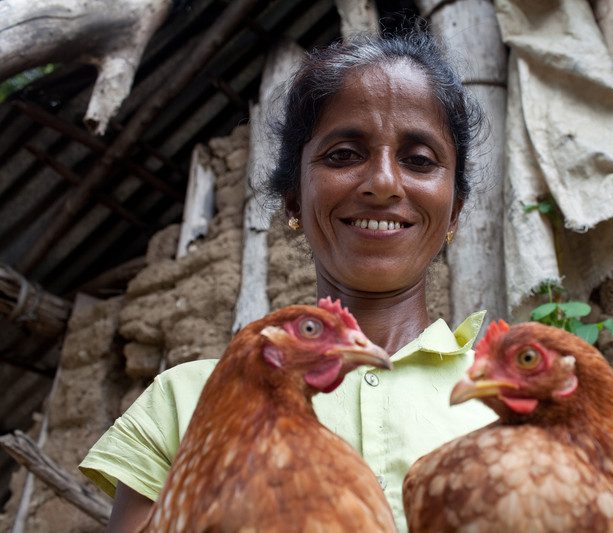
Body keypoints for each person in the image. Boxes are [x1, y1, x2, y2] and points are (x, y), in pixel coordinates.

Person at [80, 30, 497, 532]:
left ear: (455, 210)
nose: (383, 182)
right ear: (294, 200)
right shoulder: (184, 401)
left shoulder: (511, 400)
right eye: (344, 154)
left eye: (420, 161)